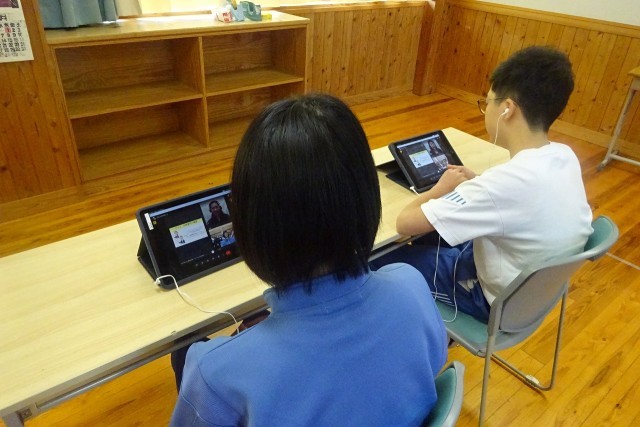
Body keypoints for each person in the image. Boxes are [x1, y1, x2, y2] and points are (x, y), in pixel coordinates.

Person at [170, 94, 447, 426]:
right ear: (366, 199)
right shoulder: (411, 285)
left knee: (181, 352)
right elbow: (429, 366)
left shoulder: (215, 372)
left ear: (250, 223)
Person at [371, 46, 593, 321]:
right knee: (430, 235)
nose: (485, 110)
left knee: (376, 259)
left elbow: (404, 223)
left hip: (489, 300)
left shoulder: (498, 186)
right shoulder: (564, 156)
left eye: (487, 102)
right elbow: (515, 200)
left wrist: (440, 190)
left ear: (507, 109)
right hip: (531, 291)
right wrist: (475, 184)